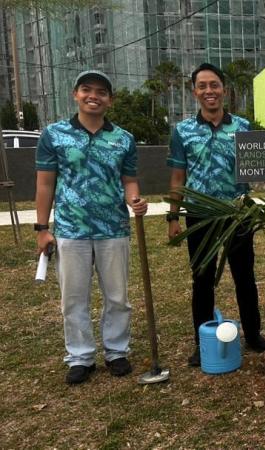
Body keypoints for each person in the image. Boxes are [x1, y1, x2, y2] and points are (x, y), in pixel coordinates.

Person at [34, 70, 148, 384]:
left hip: (113, 228)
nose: (93, 96)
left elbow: (129, 180)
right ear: (76, 94)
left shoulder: (123, 139)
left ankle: (116, 351)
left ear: (110, 100)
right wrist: (42, 228)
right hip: (71, 230)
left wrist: (135, 200)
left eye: (101, 92)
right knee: (73, 298)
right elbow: (45, 184)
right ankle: (80, 356)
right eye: (86, 90)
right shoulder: (54, 135)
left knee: (117, 296)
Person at [167, 63, 265, 367]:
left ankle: (253, 334)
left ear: (223, 89)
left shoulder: (243, 127)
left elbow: (258, 167)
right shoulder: (183, 131)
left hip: (237, 212)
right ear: (194, 92)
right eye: (202, 86)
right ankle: (202, 344)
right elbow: (177, 178)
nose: (209, 91)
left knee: (244, 276)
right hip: (200, 215)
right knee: (202, 279)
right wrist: (172, 217)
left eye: (214, 85)